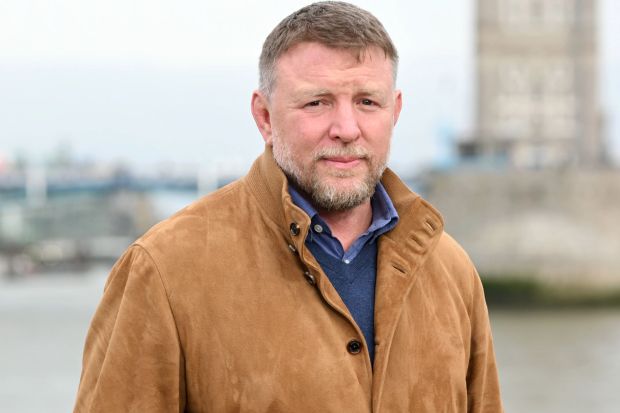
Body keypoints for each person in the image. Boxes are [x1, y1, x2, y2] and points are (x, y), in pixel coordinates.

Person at [74, 2, 503, 412]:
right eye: (317, 102)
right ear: (264, 117)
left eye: (367, 102)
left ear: (395, 112)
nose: (346, 129)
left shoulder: (451, 270)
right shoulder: (165, 270)